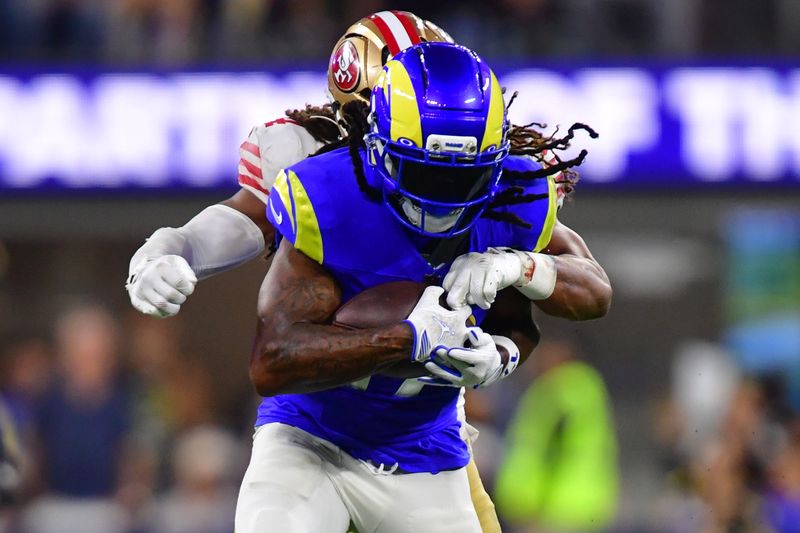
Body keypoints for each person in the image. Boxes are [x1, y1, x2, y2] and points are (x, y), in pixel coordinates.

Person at [238, 41, 606, 533]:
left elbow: (590, 294)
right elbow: (272, 361)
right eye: (424, 170)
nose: (440, 197)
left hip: (425, 448)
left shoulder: (513, 199)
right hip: (312, 439)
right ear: (377, 148)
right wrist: (406, 340)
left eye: (462, 178)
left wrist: (507, 323)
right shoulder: (331, 198)